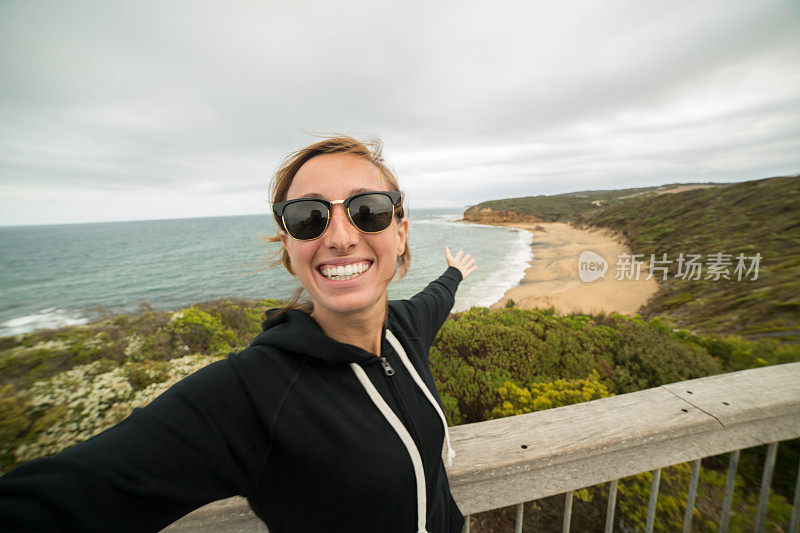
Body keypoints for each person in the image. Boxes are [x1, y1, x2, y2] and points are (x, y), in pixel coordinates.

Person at [0, 136, 477, 533]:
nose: (340, 237)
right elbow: (62, 500)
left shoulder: (407, 329)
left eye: (367, 211)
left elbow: (438, 297)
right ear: (290, 248)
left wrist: (454, 272)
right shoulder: (252, 394)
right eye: (308, 218)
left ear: (400, 233)